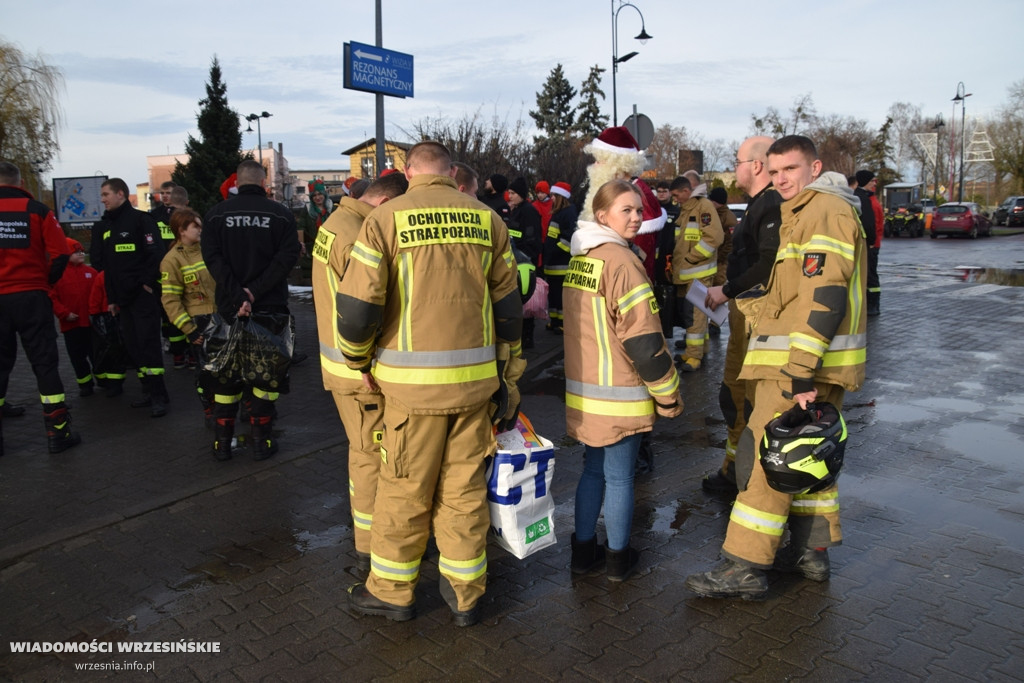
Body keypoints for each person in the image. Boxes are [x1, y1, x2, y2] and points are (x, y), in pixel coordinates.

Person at [338, 141, 523, 627]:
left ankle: (394, 593)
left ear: (406, 170)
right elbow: (509, 308)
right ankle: (465, 596)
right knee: (463, 492)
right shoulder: (487, 219)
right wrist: (507, 370)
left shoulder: (385, 220)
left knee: (404, 490)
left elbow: (358, 310)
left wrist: (358, 360)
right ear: (451, 172)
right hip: (474, 388)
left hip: (409, 391)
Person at [685, 135, 866, 600]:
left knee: (766, 461)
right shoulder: (808, 211)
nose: (781, 178)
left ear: (814, 167)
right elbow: (791, 292)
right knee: (809, 459)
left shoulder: (821, 211)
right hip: (813, 365)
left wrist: (801, 372)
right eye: (775, 169)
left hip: (797, 368)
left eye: (791, 169)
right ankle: (810, 553)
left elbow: (824, 294)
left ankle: (743, 565)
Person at [565, 179, 683, 581]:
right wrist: (667, 395)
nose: (636, 217)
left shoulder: (583, 258)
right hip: (621, 392)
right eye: (626, 211)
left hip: (586, 392)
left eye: (638, 210)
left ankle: (583, 552)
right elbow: (644, 340)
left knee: (592, 471)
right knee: (619, 477)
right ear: (603, 216)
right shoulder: (624, 263)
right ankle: (617, 558)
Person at [311, 172, 408, 571]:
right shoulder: (356, 237)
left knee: (362, 451)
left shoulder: (336, 224)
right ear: (384, 204)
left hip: (342, 368)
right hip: (359, 373)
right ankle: (370, 544)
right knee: (371, 456)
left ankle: (369, 538)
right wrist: (365, 362)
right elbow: (363, 308)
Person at [202, 160, 301, 460]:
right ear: (263, 182)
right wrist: (255, 292)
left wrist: (237, 294)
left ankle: (222, 444)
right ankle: (261, 441)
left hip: (229, 310)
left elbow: (213, 258)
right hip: (269, 309)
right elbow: (286, 259)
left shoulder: (216, 215)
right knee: (266, 376)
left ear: (237, 182)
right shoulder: (281, 215)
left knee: (225, 375)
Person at [703, 136, 782, 495]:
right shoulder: (758, 205)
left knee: (746, 401)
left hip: (756, 319)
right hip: (744, 317)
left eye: (737, 161)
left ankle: (747, 477)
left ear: (756, 165)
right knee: (732, 397)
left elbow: (768, 264)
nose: (734, 169)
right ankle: (733, 470)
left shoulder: (771, 205)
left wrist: (727, 290)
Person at [0, 160, 79, 455]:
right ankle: (58, 434)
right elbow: (61, 254)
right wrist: (43, 282)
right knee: (44, 363)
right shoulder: (38, 212)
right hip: (32, 296)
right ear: (20, 184)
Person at [93, 177, 170, 417]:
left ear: (121, 195)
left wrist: (146, 283)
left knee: (148, 345)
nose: (102, 199)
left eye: (106, 194)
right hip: (123, 300)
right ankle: (148, 390)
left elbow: (156, 254)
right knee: (134, 347)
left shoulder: (140, 220)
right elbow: (109, 268)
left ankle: (159, 396)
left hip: (142, 296)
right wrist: (112, 298)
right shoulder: (108, 227)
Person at [580, 126, 667, 282]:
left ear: (617, 164)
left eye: (600, 160)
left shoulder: (638, 195)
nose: (595, 166)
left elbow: (639, 256)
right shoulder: (615, 191)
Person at [160, 208, 217, 423]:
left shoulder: (209, 250)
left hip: (220, 315)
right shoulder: (172, 260)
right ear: (182, 230)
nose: (201, 230)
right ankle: (211, 410)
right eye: (196, 226)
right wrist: (189, 330)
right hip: (198, 322)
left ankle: (228, 409)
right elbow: (170, 300)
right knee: (206, 371)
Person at [670, 175, 723, 372]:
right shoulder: (686, 209)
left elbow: (715, 237)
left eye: (676, 195)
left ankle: (694, 357)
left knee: (696, 316)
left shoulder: (703, 207)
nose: (675, 199)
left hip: (697, 272)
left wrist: (692, 258)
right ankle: (700, 348)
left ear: (686, 191)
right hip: (687, 273)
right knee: (696, 315)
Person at [49, 238, 99, 397]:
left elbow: (100, 293)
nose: (81, 254)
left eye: (81, 251)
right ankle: (85, 385)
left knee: (96, 353)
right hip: (71, 324)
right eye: (76, 252)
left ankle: (104, 379)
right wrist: (64, 313)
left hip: (92, 323)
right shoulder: (57, 275)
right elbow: (52, 298)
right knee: (77, 357)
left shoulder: (91, 272)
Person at [508, 177, 544, 349]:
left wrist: (524, 256)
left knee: (527, 303)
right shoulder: (517, 210)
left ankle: (527, 338)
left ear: (521, 194)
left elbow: (532, 240)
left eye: (513, 193)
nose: (510, 196)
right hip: (517, 260)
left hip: (525, 262)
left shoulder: (528, 212)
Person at [543, 181, 577, 331]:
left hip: (561, 264)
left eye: (553, 196)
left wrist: (554, 251)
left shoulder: (568, 213)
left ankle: (563, 323)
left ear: (561, 197)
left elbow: (569, 239)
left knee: (561, 296)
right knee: (553, 295)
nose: (551, 199)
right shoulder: (558, 213)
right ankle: (555, 321)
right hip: (552, 263)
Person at [855, 170, 883, 316]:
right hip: (870, 243)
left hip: (871, 244)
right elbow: (870, 224)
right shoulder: (865, 199)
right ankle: (871, 304)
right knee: (870, 274)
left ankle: (873, 304)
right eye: (872, 181)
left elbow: (875, 223)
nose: (874, 184)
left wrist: (873, 241)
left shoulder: (867, 198)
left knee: (870, 274)